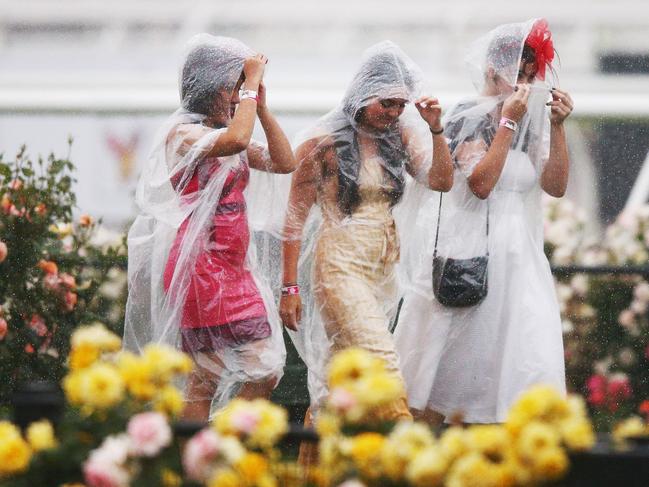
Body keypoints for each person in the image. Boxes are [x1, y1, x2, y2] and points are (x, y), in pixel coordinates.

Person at [395, 19, 573, 424]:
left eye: (531, 77)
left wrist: (558, 126)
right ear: (493, 71)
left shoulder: (531, 121)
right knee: (451, 364)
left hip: (520, 256)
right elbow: (480, 184)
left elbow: (556, 185)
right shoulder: (468, 115)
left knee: (522, 354)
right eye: (517, 75)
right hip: (472, 249)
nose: (525, 85)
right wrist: (507, 122)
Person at [124, 34, 297, 421]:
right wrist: (251, 85)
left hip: (234, 269)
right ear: (209, 88)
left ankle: (210, 455)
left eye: (240, 88)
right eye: (232, 88)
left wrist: (263, 108)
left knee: (230, 374)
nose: (238, 97)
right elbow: (237, 139)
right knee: (232, 373)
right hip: (201, 267)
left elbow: (284, 162)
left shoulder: (223, 135)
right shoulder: (184, 135)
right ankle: (210, 457)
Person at [280, 41, 454, 423]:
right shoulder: (322, 143)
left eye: (399, 105)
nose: (393, 113)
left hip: (381, 264)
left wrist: (436, 130)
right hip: (339, 262)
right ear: (362, 95)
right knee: (383, 360)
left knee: (339, 375)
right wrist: (289, 287)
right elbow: (293, 219)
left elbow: (441, 180)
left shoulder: (400, 137)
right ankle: (405, 456)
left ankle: (318, 470)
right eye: (385, 103)